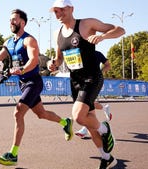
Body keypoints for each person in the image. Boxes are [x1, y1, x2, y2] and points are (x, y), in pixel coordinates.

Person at [0, 9, 73, 166]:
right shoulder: (8, 42)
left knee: (18, 112)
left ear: (22, 22)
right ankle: (65, 123)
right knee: (41, 114)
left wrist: (23, 69)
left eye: (14, 19)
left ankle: (13, 154)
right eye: (10, 20)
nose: (11, 22)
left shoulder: (29, 40)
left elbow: (34, 60)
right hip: (23, 83)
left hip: (33, 81)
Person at [47, 0, 125, 169]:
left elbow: (120, 30)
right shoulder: (57, 33)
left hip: (92, 77)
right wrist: (52, 63)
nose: (58, 14)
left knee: (78, 116)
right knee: (89, 122)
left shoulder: (87, 24)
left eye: (61, 10)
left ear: (71, 9)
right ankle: (107, 157)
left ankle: (104, 129)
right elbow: (59, 58)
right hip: (75, 80)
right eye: (55, 11)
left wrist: (103, 36)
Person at [75, 51, 112, 138]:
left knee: (87, 104)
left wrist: (100, 72)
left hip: (95, 81)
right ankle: (104, 108)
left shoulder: (97, 54)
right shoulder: (78, 53)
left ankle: (85, 129)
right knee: (88, 104)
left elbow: (108, 65)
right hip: (84, 81)